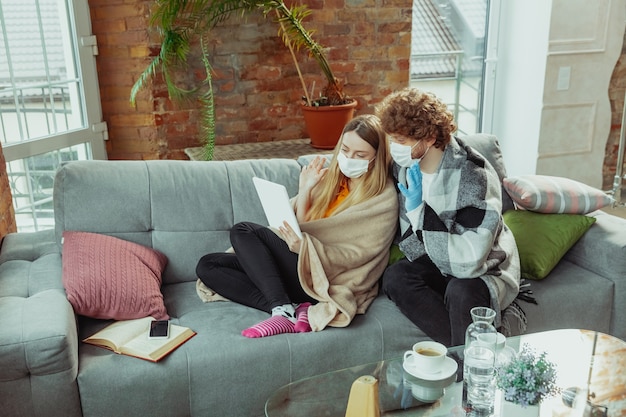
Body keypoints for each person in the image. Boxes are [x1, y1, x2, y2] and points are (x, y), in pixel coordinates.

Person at [195, 114, 398, 338]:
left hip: (324, 276)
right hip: (299, 263)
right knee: (208, 266)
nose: (349, 158)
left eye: (360, 155)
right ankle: (288, 308)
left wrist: (306, 249)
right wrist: (306, 189)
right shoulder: (332, 181)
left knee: (243, 231)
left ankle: (281, 311)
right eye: (346, 150)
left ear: (377, 158)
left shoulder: (382, 198)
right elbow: (303, 227)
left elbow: (358, 255)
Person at [375, 88, 520, 347]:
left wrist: (420, 211)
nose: (395, 149)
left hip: (481, 264)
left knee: (460, 289)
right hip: (436, 259)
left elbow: (470, 259)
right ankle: (467, 351)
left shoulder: (473, 175)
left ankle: (465, 370)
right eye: (392, 140)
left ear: (429, 138)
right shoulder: (403, 167)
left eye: (402, 141)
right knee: (396, 277)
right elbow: (413, 246)